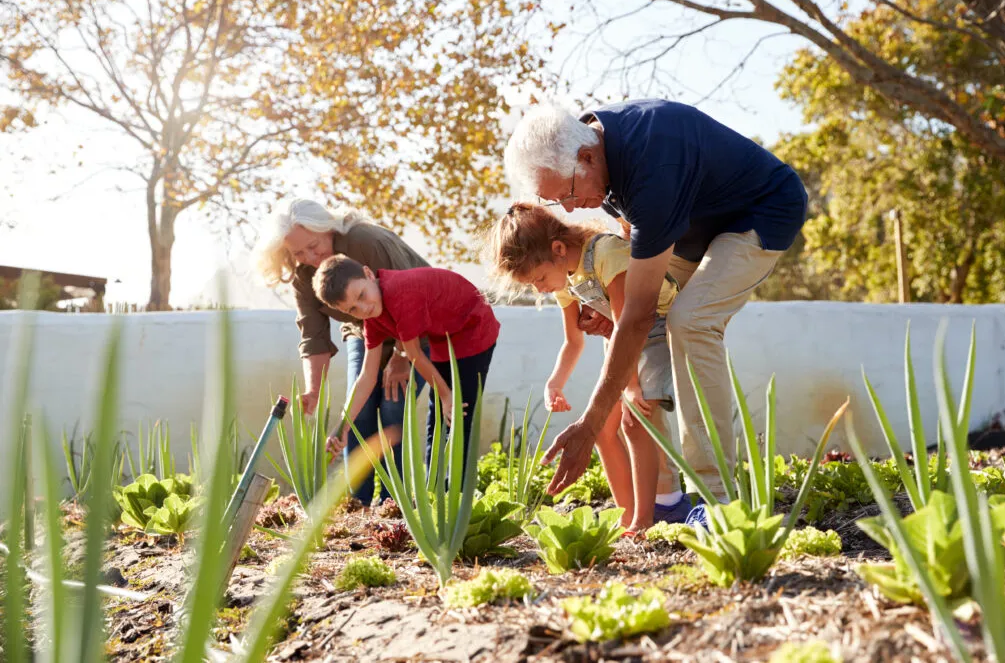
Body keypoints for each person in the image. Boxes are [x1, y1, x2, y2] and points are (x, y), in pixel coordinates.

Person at [503, 99, 807, 517]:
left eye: (569, 194)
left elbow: (640, 313)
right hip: (694, 229)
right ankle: (665, 499)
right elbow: (633, 272)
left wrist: (590, 426)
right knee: (643, 330)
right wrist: (610, 312)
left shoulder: (652, 168)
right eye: (559, 202)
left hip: (760, 213)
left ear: (587, 157)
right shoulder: (596, 157)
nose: (569, 210)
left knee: (690, 320)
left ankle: (716, 499)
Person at [486, 202, 691, 530]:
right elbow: (574, 341)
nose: (540, 288)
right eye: (532, 285)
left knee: (636, 420)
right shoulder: (563, 279)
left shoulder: (606, 253)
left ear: (557, 249)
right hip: (622, 338)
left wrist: (631, 384)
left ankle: (652, 515)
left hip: (653, 329)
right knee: (602, 431)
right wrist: (554, 382)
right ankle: (627, 519)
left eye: (539, 278)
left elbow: (631, 322)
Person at [254, 198, 429, 505]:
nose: (310, 257)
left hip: (418, 326)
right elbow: (313, 334)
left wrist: (402, 358)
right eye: (298, 252)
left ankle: (393, 505)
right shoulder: (304, 275)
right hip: (367, 332)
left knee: (392, 408)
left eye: (314, 245)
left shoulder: (365, 241)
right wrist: (313, 389)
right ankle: (357, 505)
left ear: (327, 228)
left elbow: (411, 297)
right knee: (358, 413)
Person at [313, 256, 500, 468]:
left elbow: (414, 355)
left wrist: (447, 396)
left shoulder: (400, 292)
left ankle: (455, 495)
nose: (363, 308)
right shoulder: (373, 319)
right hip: (442, 338)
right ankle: (434, 493)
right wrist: (343, 427)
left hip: (473, 329)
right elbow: (366, 377)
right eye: (352, 309)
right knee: (438, 419)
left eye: (362, 295)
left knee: (459, 413)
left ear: (368, 274)